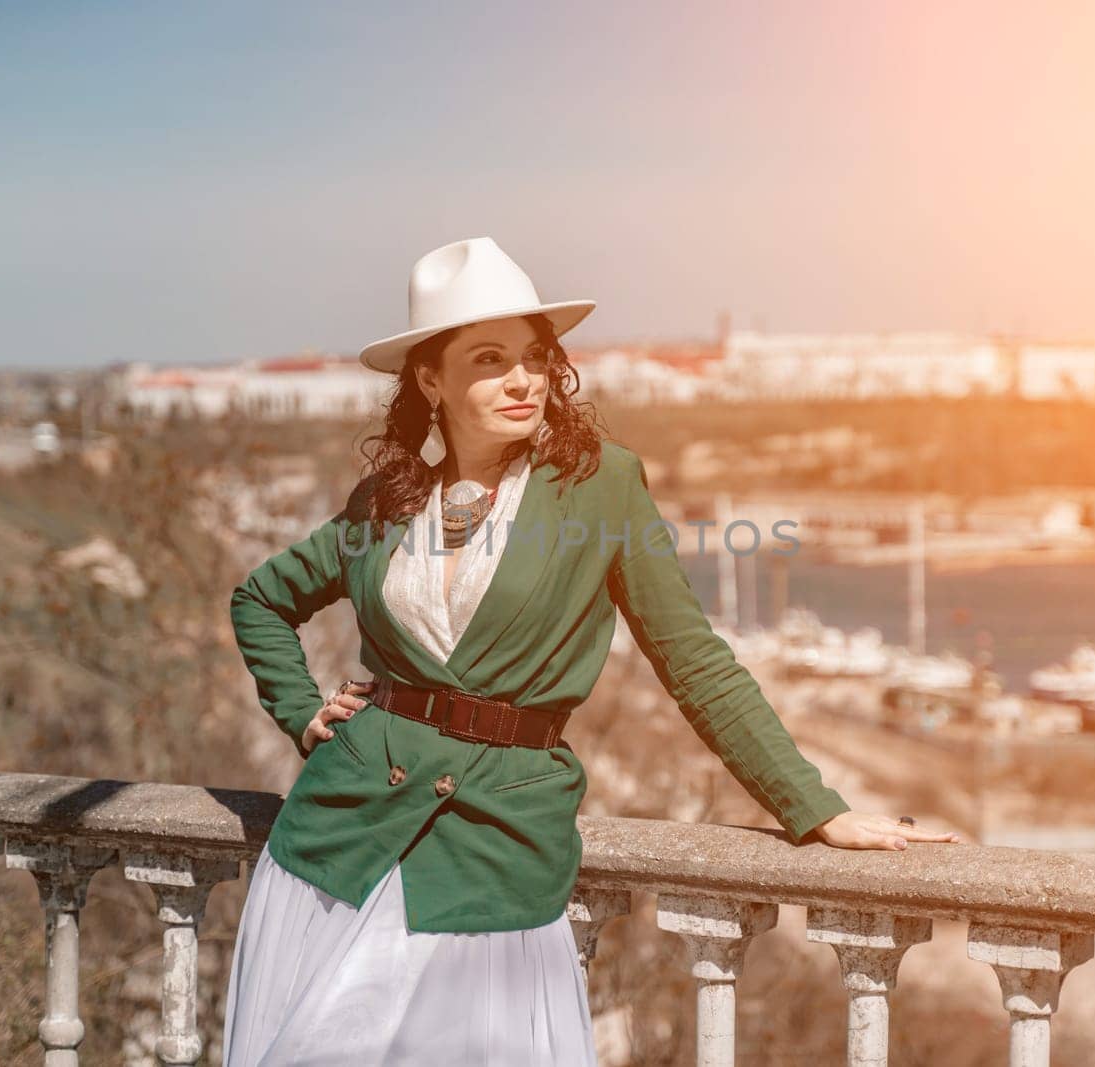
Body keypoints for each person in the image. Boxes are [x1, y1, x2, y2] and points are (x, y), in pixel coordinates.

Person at [221, 237, 960, 1065]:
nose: (523, 379)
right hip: (337, 843)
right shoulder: (389, 500)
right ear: (431, 380)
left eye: (535, 358)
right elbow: (260, 599)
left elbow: (692, 657)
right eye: (490, 358)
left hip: (495, 851)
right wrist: (302, 711)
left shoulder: (600, 484)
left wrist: (814, 806)